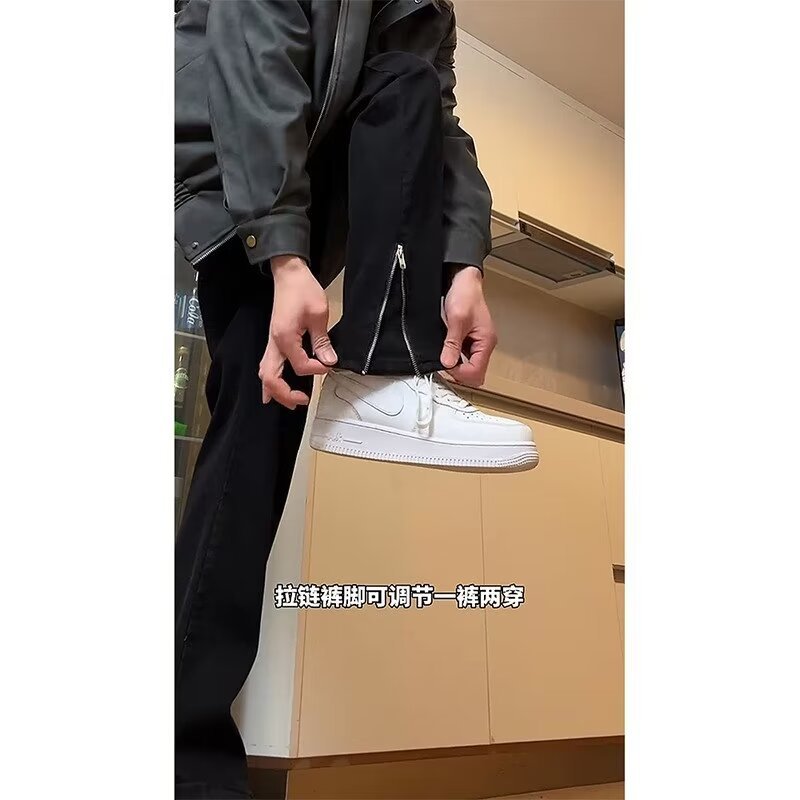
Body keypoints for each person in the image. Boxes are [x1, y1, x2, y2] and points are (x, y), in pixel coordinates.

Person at [174, 1, 538, 797]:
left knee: (409, 82)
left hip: (300, 192)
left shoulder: (430, 8)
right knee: (251, 436)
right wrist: (282, 253)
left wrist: (464, 267)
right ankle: (183, 760)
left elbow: (434, 125)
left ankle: (382, 367)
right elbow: (254, 54)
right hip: (229, 167)